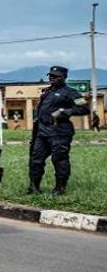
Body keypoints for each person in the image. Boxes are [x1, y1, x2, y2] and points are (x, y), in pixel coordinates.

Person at [28, 66, 89, 196]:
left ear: (64, 78)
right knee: (36, 159)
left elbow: (85, 108)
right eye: (50, 76)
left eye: (55, 76)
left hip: (59, 132)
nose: (51, 78)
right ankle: (34, 186)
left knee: (59, 160)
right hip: (42, 132)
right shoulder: (47, 92)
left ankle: (60, 188)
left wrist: (65, 112)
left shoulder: (72, 93)